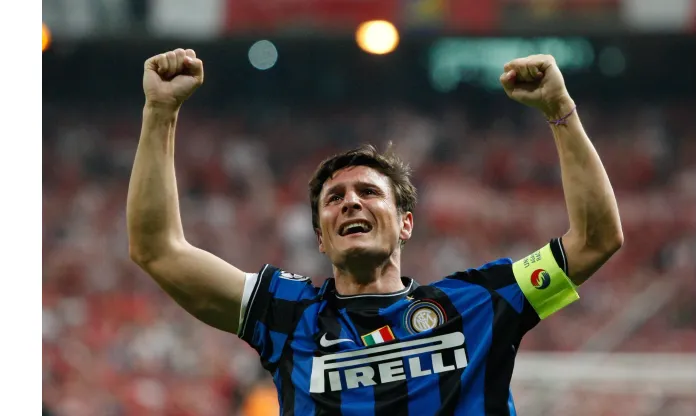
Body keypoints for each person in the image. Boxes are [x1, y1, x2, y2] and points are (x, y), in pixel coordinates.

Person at [127, 48, 623, 415]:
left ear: (406, 222)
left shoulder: (477, 304)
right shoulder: (287, 315)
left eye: (368, 192)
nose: (350, 203)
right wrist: (160, 112)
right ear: (321, 238)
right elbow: (158, 249)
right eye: (334, 199)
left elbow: (596, 240)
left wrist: (560, 110)